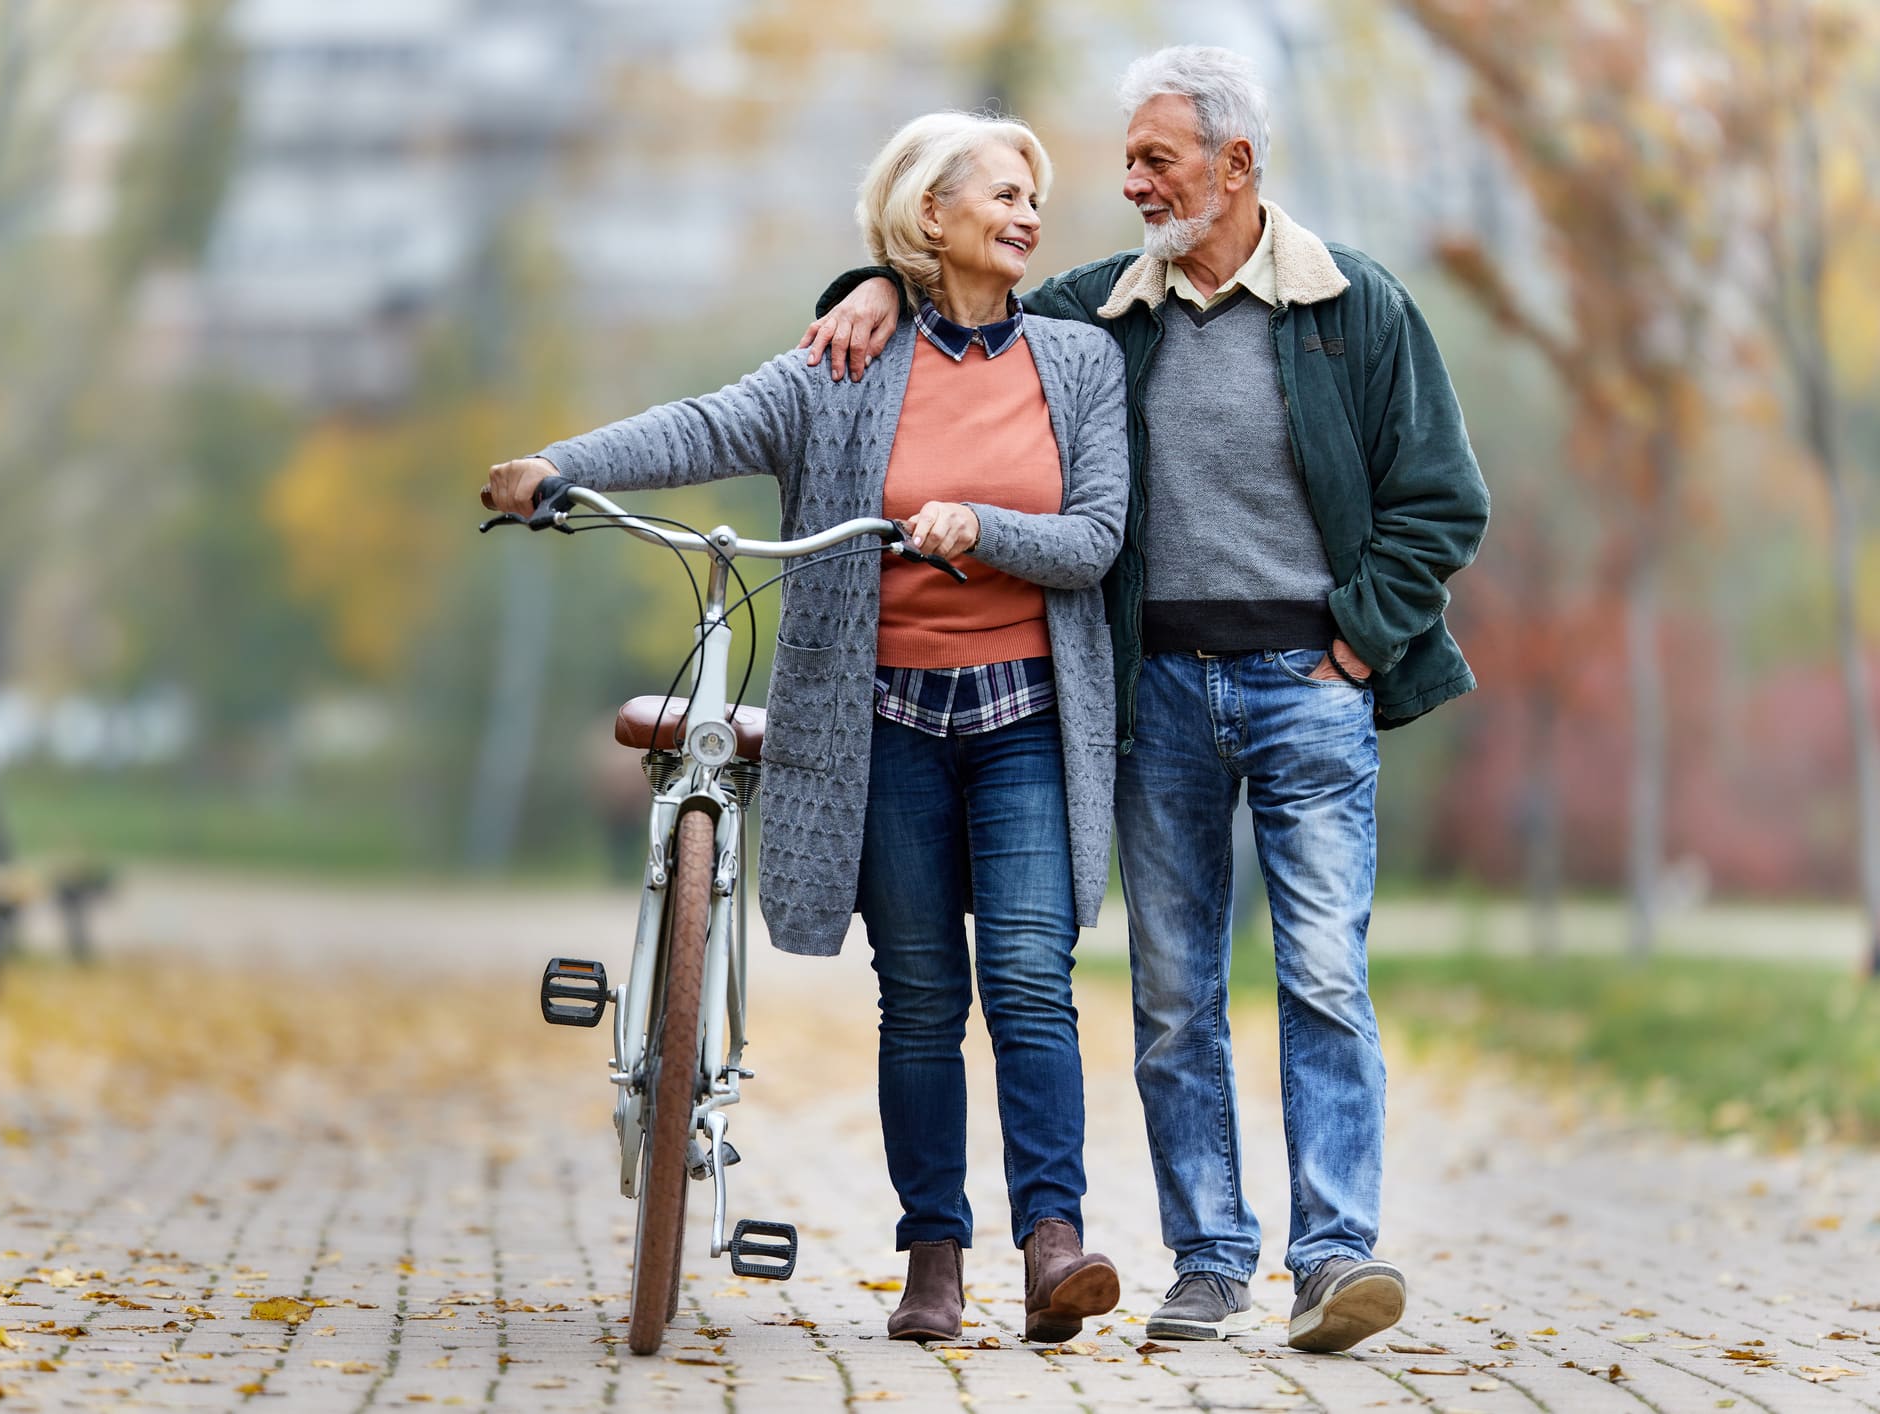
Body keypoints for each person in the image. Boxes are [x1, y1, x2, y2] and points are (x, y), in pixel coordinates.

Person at [805, 46, 1490, 1354]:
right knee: (1175, 991)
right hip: (1154, 692)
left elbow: (1443, 498)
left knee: (1326, 975)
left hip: (1310, 687)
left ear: (1236, 165)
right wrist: (869, 291)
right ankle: (1212, 1258)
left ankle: (1335, 1254)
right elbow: (965, 285)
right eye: (1126, 158)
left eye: (1154, 158)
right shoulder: (1097, 313)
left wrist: (1356, 642)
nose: (1129, 182)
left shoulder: (1355, 307)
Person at [483, 112, 1131, 1345]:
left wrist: (979, 530)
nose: (1028, 211)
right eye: (1002, 191)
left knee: (1030, 984)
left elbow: (1095, 540)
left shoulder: (1078, 362)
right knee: (923, 994)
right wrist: (553, 464)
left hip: (1027, 722)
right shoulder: (844, 363)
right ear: (926, 217)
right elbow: (701, 426)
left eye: (1032, 194)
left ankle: (1054, 1243)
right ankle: (930, 1261)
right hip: (879, 722)